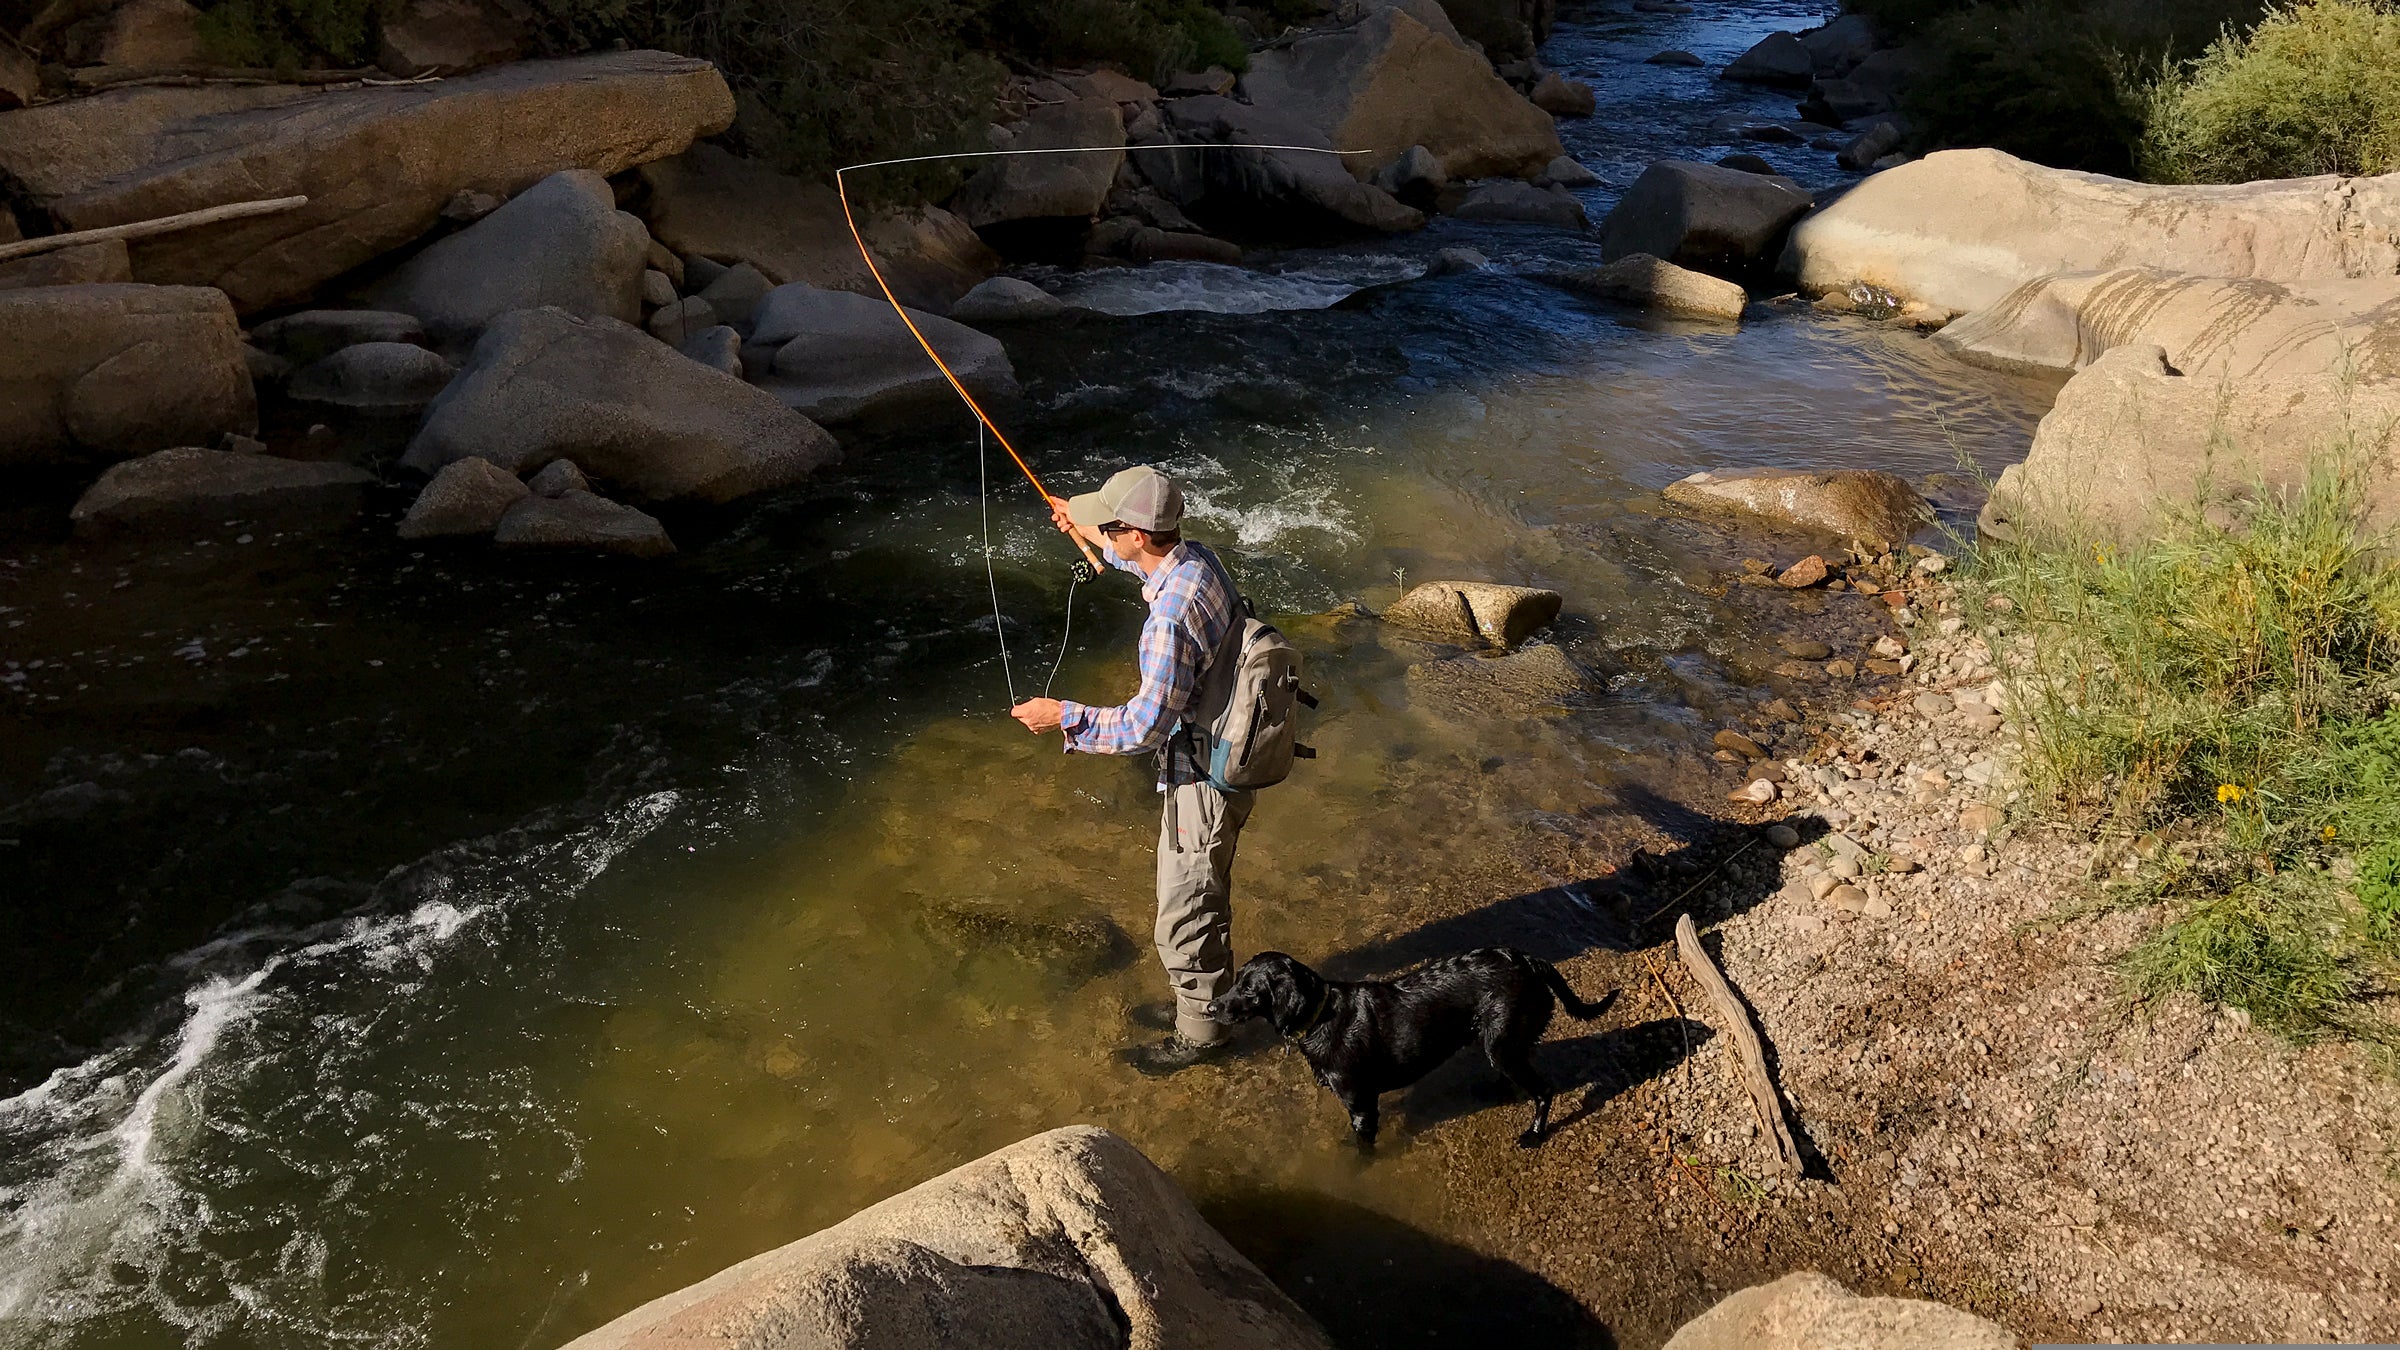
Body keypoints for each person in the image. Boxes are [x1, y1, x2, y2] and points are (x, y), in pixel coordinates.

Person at [1009, 465, 1253, 1076]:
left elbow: (1143, 729)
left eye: (1112, 526)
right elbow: (1146, 566)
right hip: (1227, 744)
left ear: (1138, 534)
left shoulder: (1169, 619)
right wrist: (1086, 527)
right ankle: (1204, 1000)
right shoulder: (1197, 559)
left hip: (1205, 773)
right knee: (1198, 891)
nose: (1106, 532)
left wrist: (1064, 716)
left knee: (1185, 908)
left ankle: (1203, 1035)